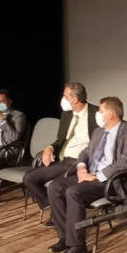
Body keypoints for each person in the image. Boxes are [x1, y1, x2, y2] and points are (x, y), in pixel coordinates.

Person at [47, 97, 127, 253]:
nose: (98, 114)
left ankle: (78, 246)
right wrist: (81, 167)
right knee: (55, 186)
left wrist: (97, 176)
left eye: (101, 111)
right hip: (89, 175)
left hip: (108, 180)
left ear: (111, 114)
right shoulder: (98, 131)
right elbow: (86, 152)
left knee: (73, 192)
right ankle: (65, 237)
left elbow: (126, 162)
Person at [23, 82, 98, 219]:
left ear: (75, 99)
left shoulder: (96, 113)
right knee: (29, 178)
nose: (63, 99)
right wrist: (49, 148)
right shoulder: (67, 114)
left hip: (78, 161)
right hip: (62, 159)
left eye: (65, 96)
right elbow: (61, 139)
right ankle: (57, 210)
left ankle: (57, 214)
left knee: (56, 185)